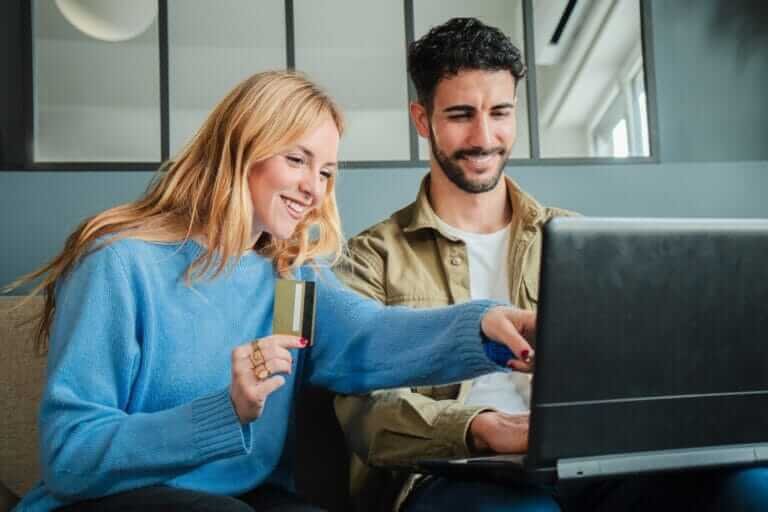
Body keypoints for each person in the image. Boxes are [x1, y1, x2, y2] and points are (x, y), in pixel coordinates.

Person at [6, 70, 536, 512]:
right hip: (100, 502)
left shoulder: (287, 280)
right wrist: (227, 410)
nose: (314, 188)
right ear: (242, 150)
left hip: (241, 499)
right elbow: (69, 457)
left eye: (326, 171)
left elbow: (366, 337)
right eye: (297, 160)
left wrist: (483, 326)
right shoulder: (120, 264)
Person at [334, 17, 768, 512]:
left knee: (751, 488)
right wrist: (481, 428)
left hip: (591, 462)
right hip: (454, 471)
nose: (484, 136)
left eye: (500, 112)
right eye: (460, 115)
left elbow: (633, 368)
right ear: (421, 118)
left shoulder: (578, 240)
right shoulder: (370, 257)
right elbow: (365, 410)